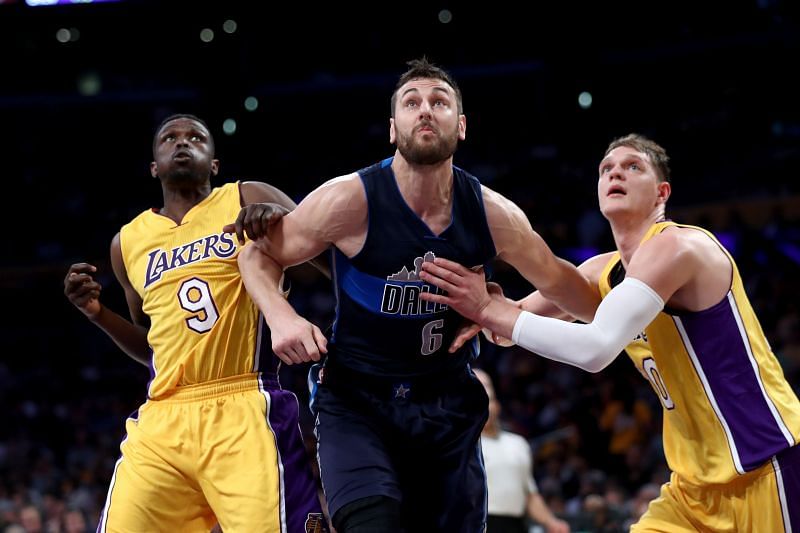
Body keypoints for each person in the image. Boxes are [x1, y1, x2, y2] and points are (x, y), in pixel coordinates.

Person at [235, 57, 599, 532]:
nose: (425, 110)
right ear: (393, 128)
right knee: (374, 522)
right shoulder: (350, 199)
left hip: (446, 401)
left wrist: (503, 313)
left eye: (439, 102)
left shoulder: (494, 215)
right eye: (412, 102)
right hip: (356, 399)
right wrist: (281, 315)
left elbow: (573, 292)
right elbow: (256, 255)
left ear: (461, 125)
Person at [417, 133, 800, 531]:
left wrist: (488, 310)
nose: (616, 171)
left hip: (768, 465)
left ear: (661, 193)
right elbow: (508, 327)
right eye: (606, 169)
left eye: (633, 166)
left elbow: (594, 349)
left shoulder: (680, 247)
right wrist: (476, 308)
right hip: (694, 490)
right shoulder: (603, 272)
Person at [63, 114, 327, 532]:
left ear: (215, 162)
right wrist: (98, 314)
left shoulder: (247, 197)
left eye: (196, 137)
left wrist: (281, 222)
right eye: (170, 138)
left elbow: (325, 265)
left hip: (242, 400)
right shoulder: (127, 242)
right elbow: (154, 347)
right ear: (154, 166)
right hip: (163, 417)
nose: (182, 143)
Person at [474, 368, 570, 533]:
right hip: (475, 523)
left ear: (497, 405)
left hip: (515, 525)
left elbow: (530, 495)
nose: (482, 406)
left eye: (487, 400)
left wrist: (551, 522)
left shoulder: (518, 444)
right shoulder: (458, 445)